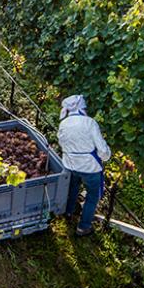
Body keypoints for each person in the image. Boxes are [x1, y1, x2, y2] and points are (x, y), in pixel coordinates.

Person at [57, 95, 111, 236]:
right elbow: (102, 149)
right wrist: (105, 157)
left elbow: (62, 143)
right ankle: (83, 227)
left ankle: (68, 213)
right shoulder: (89, 123)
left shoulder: (64, 123)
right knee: (92, 197)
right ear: (81, 107)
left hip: (70, 165)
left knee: (72, 188)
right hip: (89, 168)